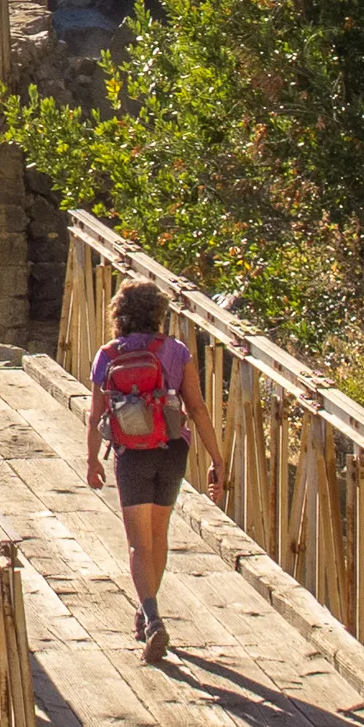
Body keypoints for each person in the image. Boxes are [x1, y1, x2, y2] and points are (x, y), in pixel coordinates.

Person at [82, 276, 226, 661]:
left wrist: (92, 459)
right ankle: (147, 610)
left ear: (119, 314)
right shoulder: (176, 351)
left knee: (137, 543)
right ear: (159, 313)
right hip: (172, 450)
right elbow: (197, 408)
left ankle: (151, 617)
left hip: (132, 453)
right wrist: (217, 458)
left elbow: (95, 415)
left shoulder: (107, 355)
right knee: (159, 536)